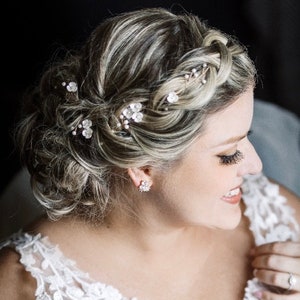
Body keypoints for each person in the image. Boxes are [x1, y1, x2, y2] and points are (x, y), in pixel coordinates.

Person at [0, 7, 299, 300]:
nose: (257, 166)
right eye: (228, 154)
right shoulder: (23, 285)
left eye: (247, 137)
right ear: (143, 167)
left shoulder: (277, 217)